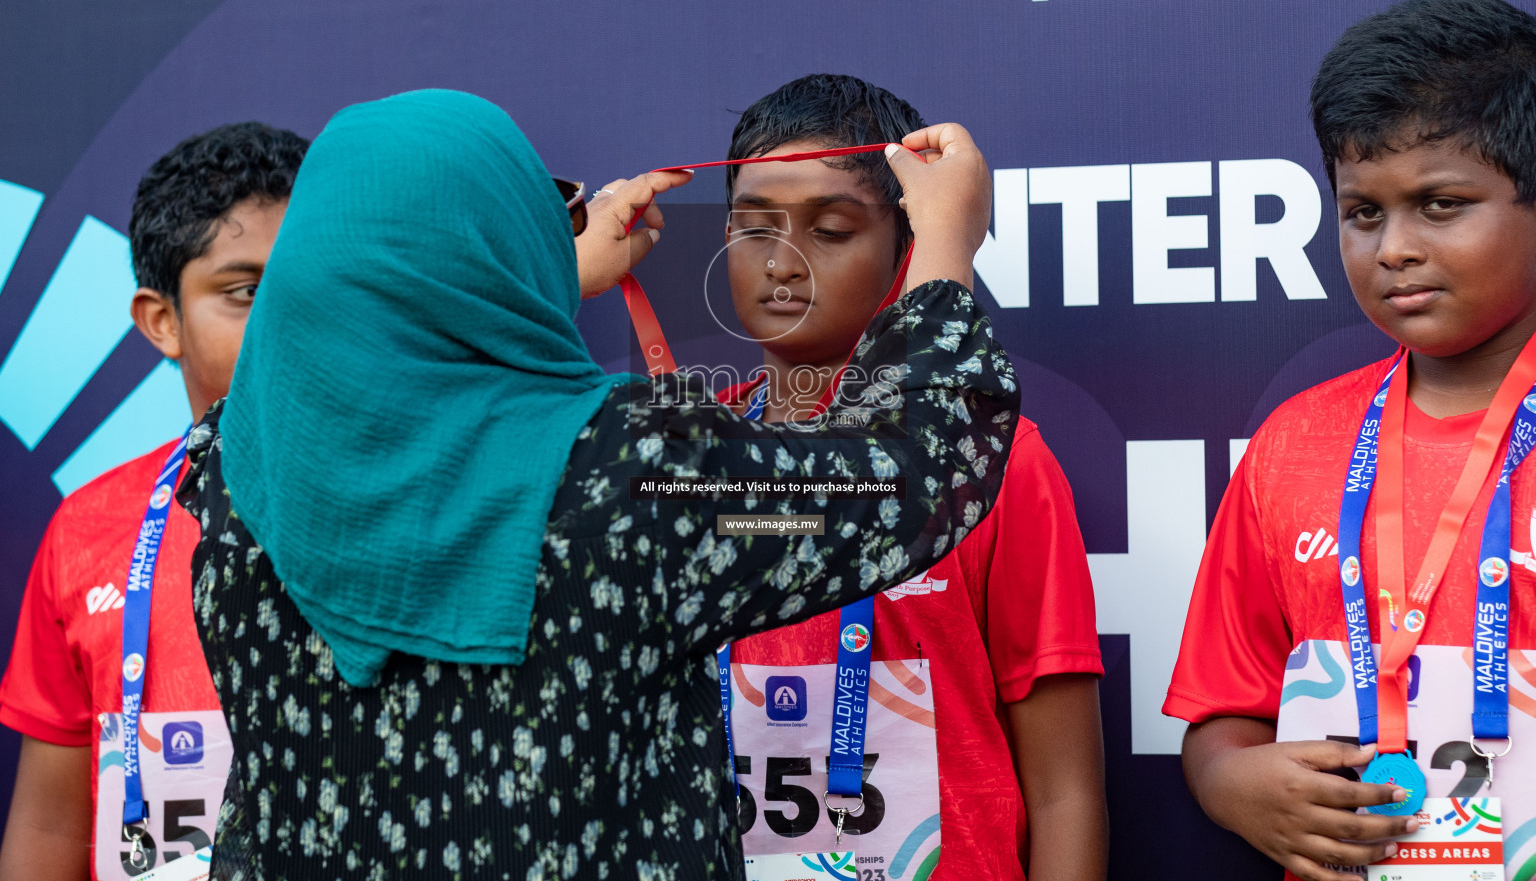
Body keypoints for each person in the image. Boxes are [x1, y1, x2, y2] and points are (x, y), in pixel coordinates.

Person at [178, 88, 1020, 880]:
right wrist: (946, 240)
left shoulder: (229, 472)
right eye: (538, 211)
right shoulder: (630, 479)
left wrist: (543, 276)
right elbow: (904, 476)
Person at [1166, 0, 1536, 881]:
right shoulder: (1295, 444)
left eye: (1441, 204)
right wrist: (1231, 782)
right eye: (1363, 212)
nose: (1392, 248)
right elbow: (1225, 714)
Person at [714, 74, 1106, 880]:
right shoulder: (675, 460)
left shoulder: (999, 463)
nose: (783, 263)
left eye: (829, 229)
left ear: (906, 244)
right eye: (756, 230)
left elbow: (1066, 792)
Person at [0, 123, 308, 881]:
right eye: (244, 294)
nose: (285, 323)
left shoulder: (423, 497)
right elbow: (47, 827)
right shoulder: (88, 530)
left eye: (310, 284)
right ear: (162, 321)